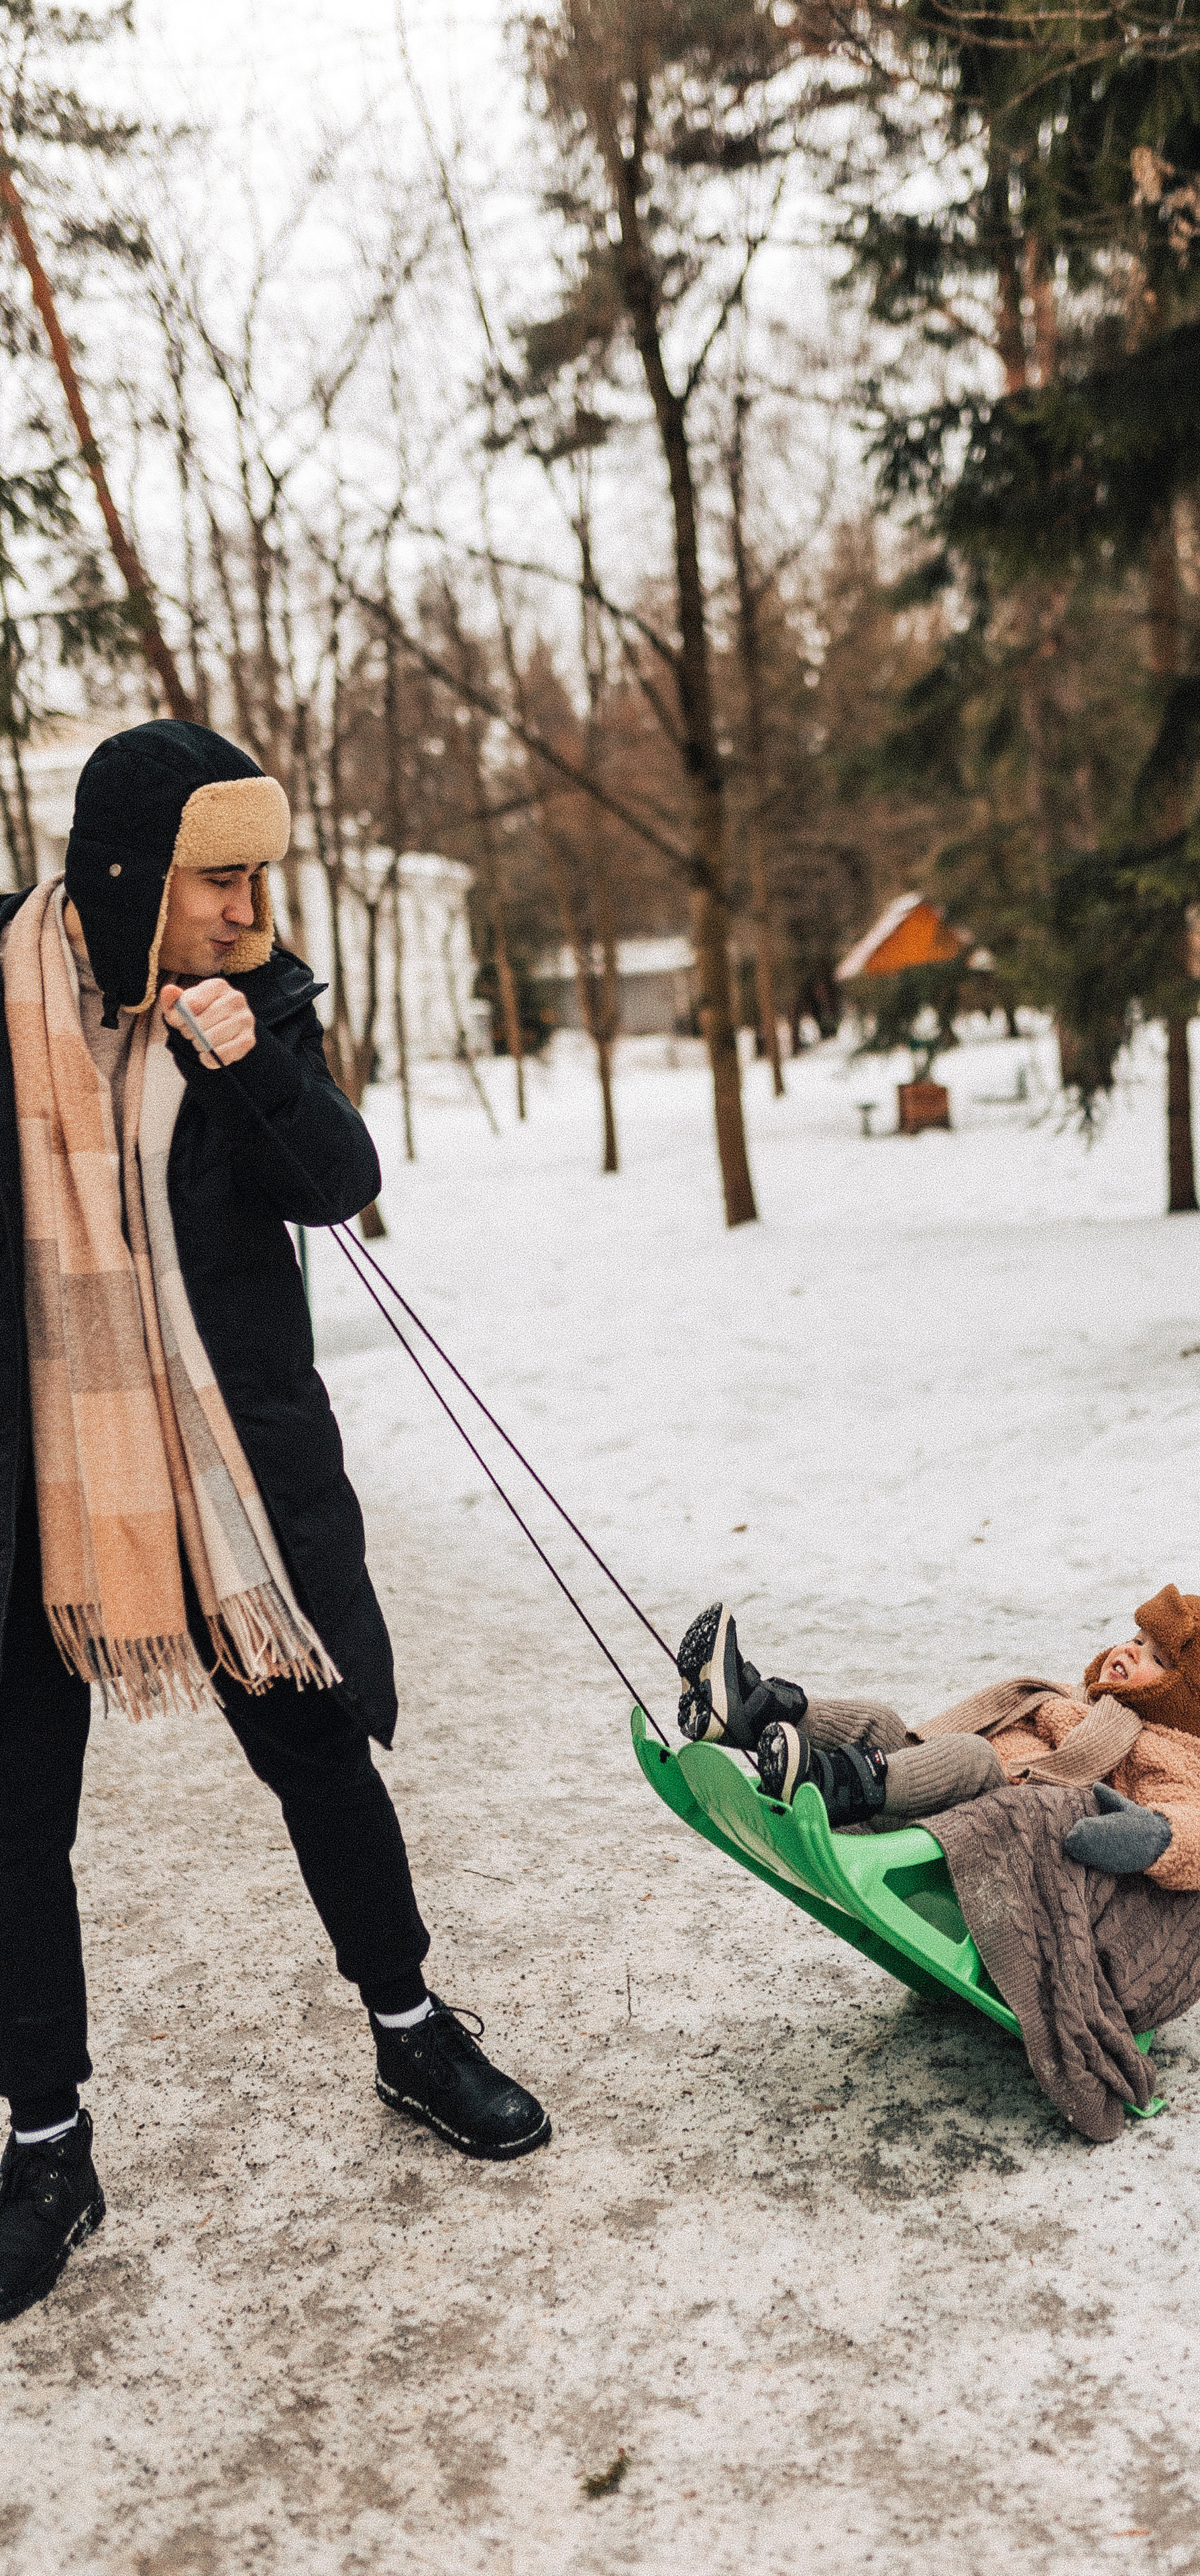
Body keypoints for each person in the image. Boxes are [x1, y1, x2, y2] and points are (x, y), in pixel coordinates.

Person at [0, 719, 549, 2328]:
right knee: (16, 1819)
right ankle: (47, 2145)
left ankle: (410, 2027)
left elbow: (336, 1181)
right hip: (39, 1478)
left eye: (258, 877)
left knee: (317, 1746)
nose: (249, 908)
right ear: (131, 876)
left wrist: (251, 1065)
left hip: (227, 1467)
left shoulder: (255, 1003)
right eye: (219, 879)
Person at [675, 1582, 1200, 1888]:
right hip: (939, 1797)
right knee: (883, 1724)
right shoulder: (1079, 1703)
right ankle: (748, 1712)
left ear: (1193, 1706)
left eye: (1158, 1659)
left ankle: (824, 1783)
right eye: (1137, 1639)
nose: (1129, 1652)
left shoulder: (1171, 1752)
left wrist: (1151, 1835)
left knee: (973, 1757)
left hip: (1001, 1841)